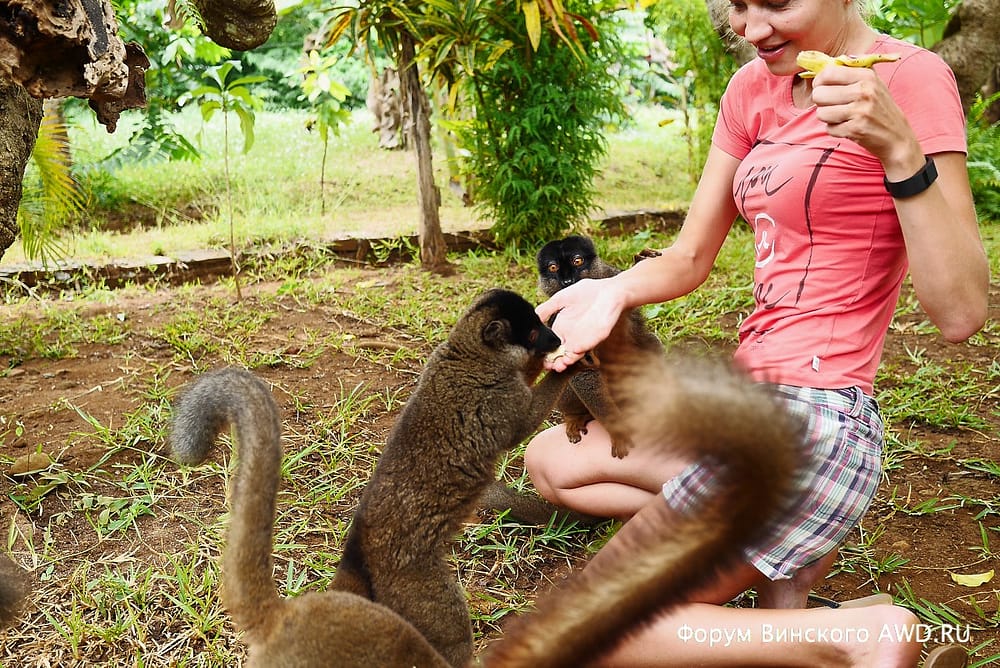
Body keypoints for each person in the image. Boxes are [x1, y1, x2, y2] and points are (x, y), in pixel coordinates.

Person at [525, 0, 990, 664]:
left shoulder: (911, 78)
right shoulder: (752, 88)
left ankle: (862, 636)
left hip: (812, 419)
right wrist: (612, 289)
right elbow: (689, 257)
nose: (751, 29)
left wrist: (898, 147)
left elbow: (961, 311)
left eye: (775, 3)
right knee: (552, 460)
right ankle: (785, 583)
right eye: (737, 6)